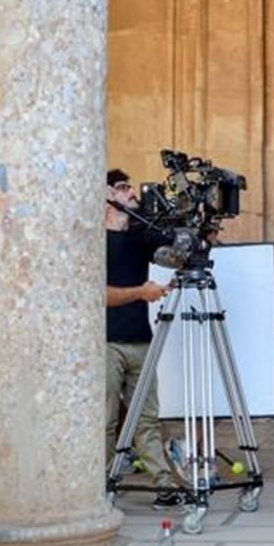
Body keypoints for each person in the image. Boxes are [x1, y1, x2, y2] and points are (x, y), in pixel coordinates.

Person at [105, 169, 182, 509]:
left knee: (148, 418)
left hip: (140, 339)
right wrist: (142, 291)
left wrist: (190, 238)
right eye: (122, 188)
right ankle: (100, 485)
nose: (131, 192)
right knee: (104, 420)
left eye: (130, 185)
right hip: (105, 343)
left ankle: (162, 484)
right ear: (105, 196)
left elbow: (171, 255)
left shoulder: (139, 235)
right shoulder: (90, 240)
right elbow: (97, 295)